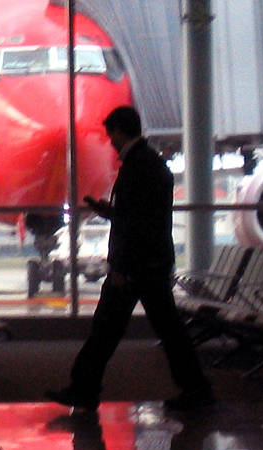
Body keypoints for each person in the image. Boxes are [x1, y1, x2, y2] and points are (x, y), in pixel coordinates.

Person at [46, 105, 214, 412]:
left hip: (136, 267)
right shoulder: (152, 163)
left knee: (107, 331)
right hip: (150, 263)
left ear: (121, 131)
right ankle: (196, 389)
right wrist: (109, 212)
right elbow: (141, 216)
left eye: (112, 134)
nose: (110, 141)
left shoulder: (138, 166)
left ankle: (83, 389)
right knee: (167, 330)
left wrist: (122, 267)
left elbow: (136, 223)